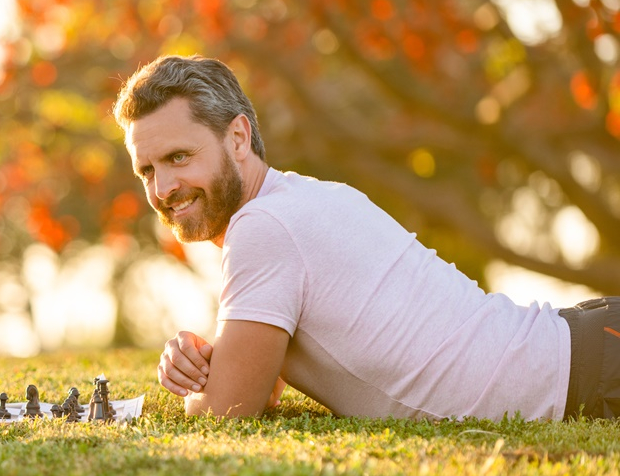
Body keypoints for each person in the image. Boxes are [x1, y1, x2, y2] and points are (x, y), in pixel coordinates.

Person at [113, 54, 616, 420]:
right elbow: (260, 385)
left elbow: (227, 410)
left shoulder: (264, 227)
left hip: (592, 373)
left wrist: (198, 388)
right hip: (588, 346)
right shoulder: (301, 200)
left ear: (238, 138)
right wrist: (211, 358)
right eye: (147, 170)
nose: (163, 188)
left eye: (179, 157)